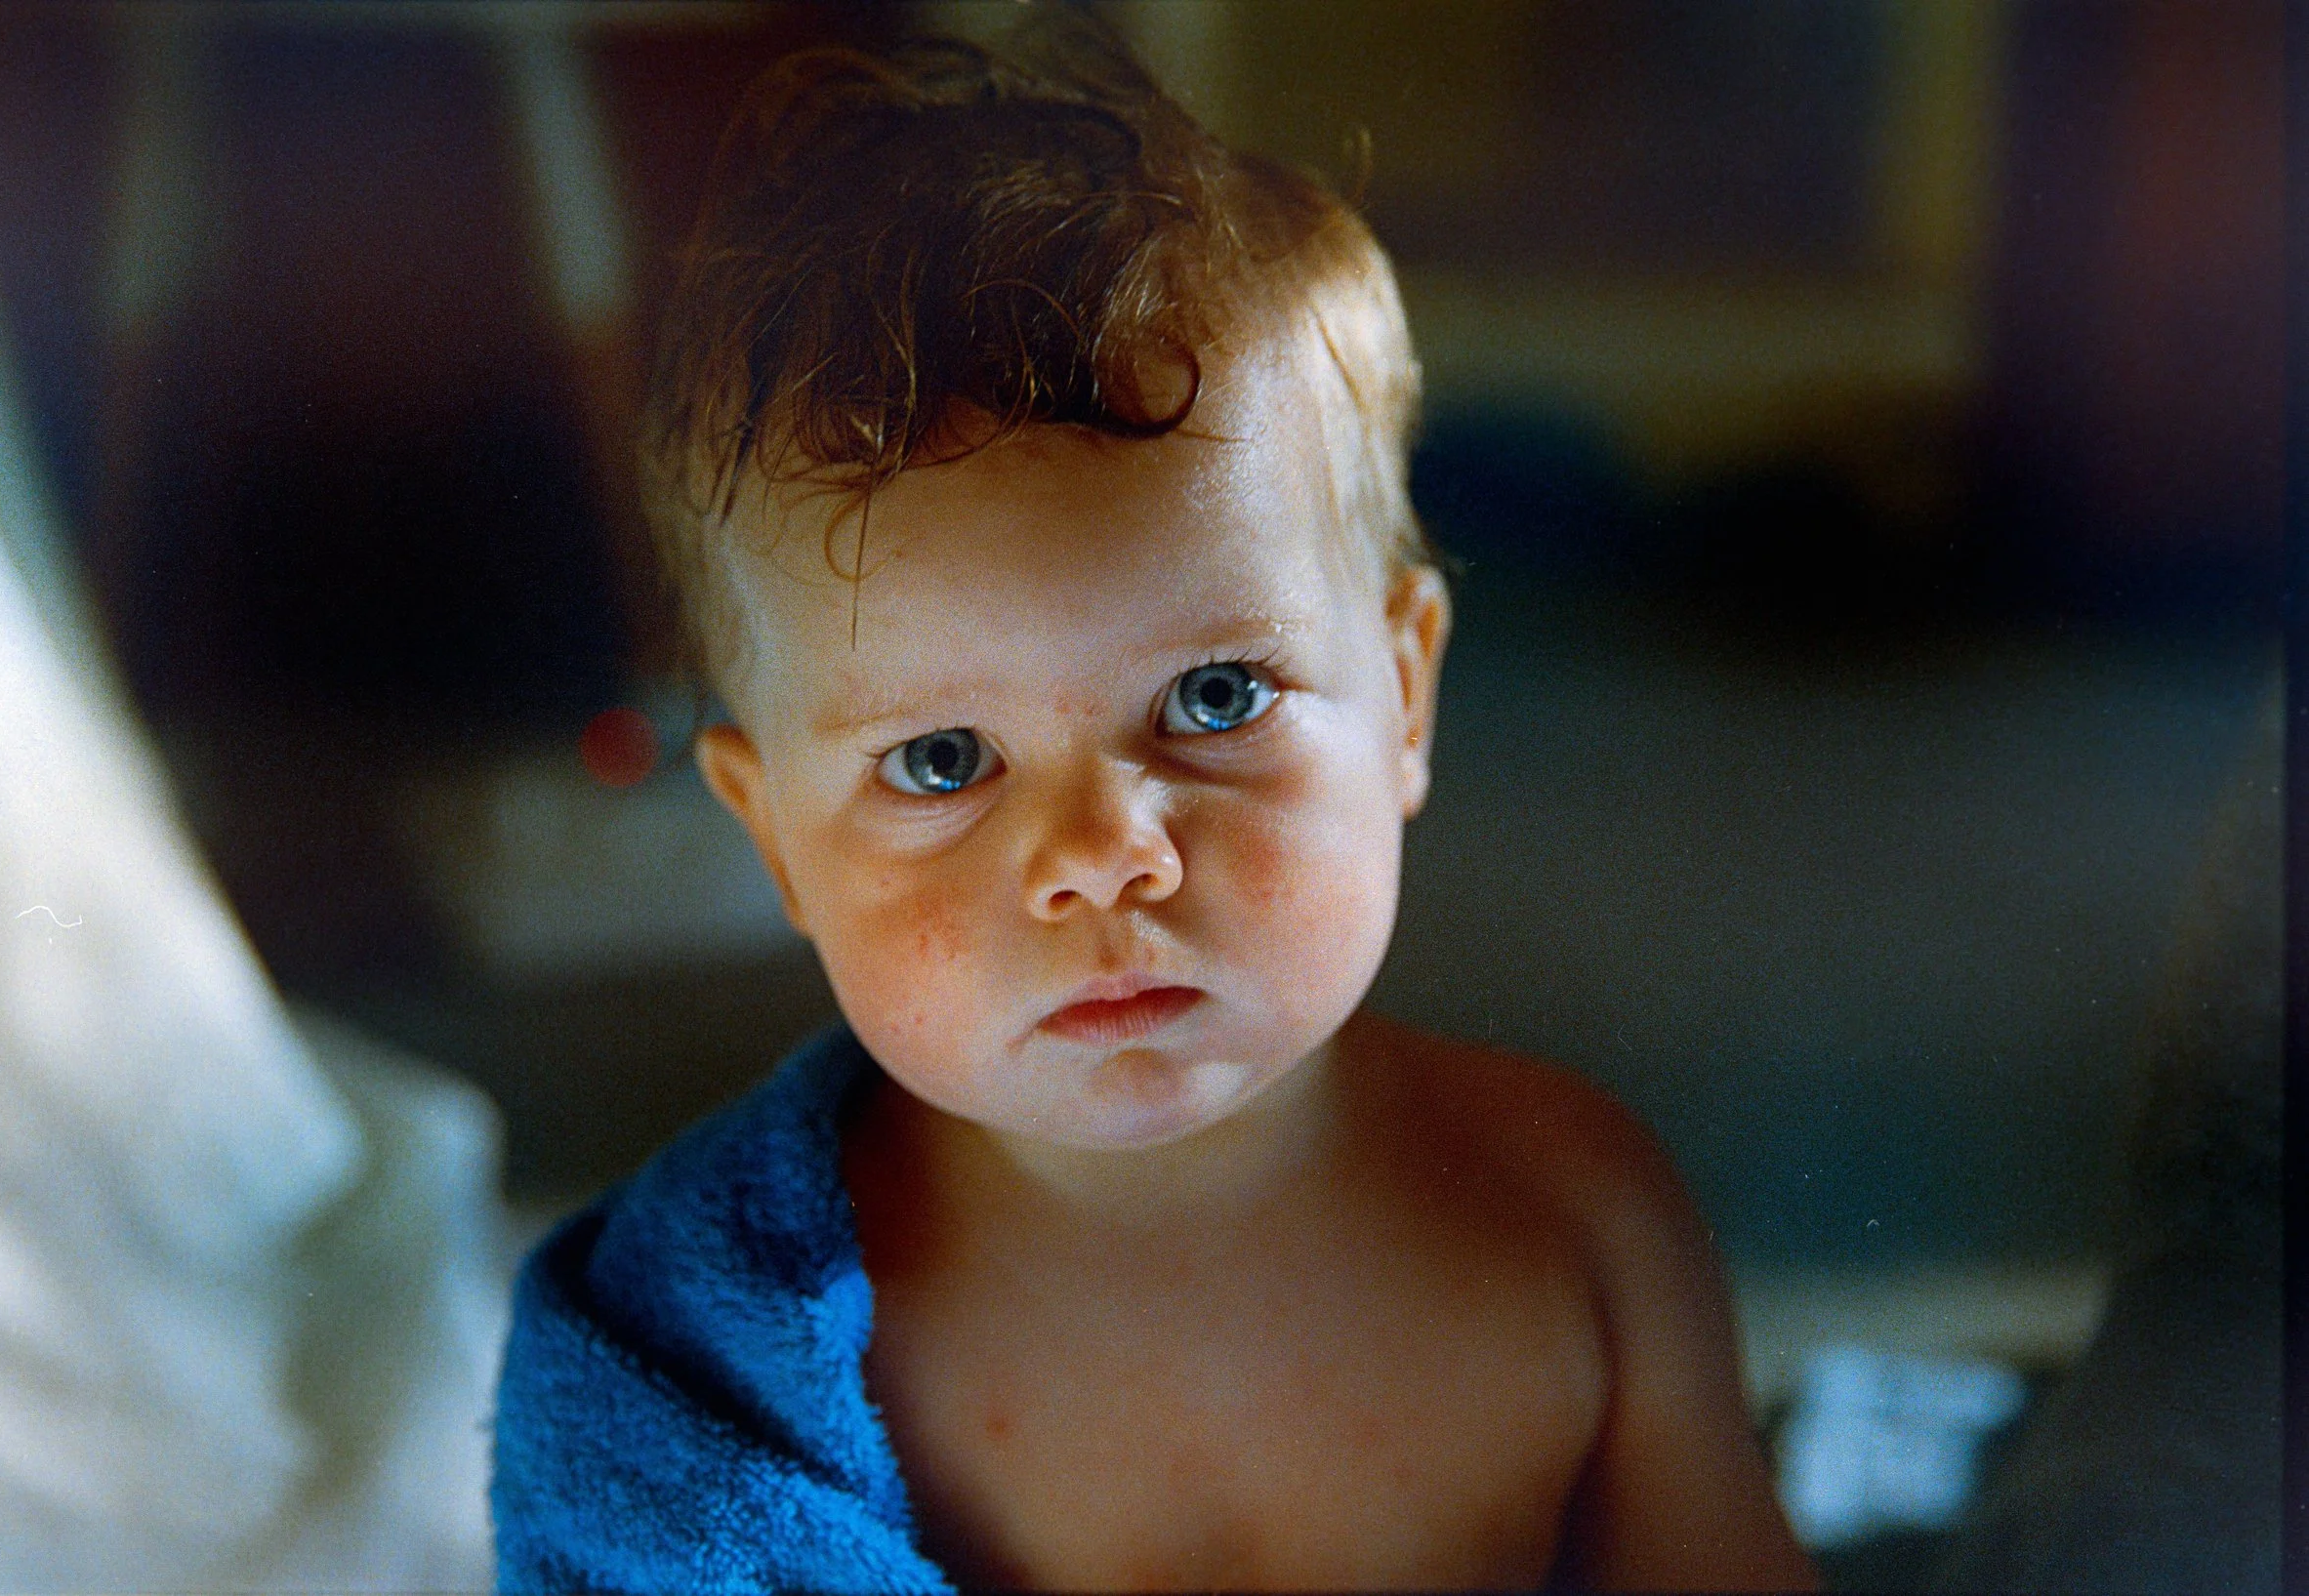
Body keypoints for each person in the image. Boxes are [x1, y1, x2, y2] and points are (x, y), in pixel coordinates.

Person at [491, 18, 1816, 1591]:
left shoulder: (1575, 1221)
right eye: (942, 760)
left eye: (1215, 697)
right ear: (774, 832)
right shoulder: (700, 1372)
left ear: (1404, 696)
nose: (1102, 857)